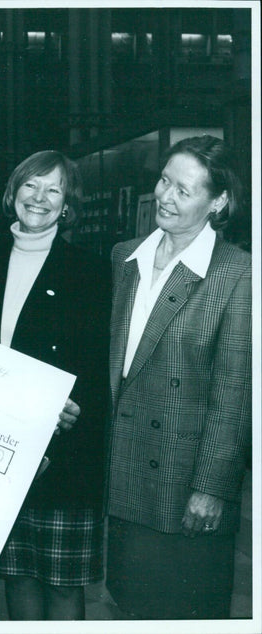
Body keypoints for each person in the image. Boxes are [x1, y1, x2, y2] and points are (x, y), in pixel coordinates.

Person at [105, 135, 251, 619]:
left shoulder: (238, 275)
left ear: (219, 202)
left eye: (183, 190)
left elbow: (234, 395)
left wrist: (212, 487)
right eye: (164, 180)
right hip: (125, 477)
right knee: (130, 607)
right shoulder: (125, 258)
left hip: (184, 484)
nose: (165, 196)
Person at [0, 150, 110, 619]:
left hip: (63, 451)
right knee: (17, 576)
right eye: (31, 185)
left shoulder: (90, 270)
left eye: (53, 189)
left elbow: (98, 367)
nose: (40, 198)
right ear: (12, 194)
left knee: (60, 585)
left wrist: (77, 408)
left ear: (67, 205)